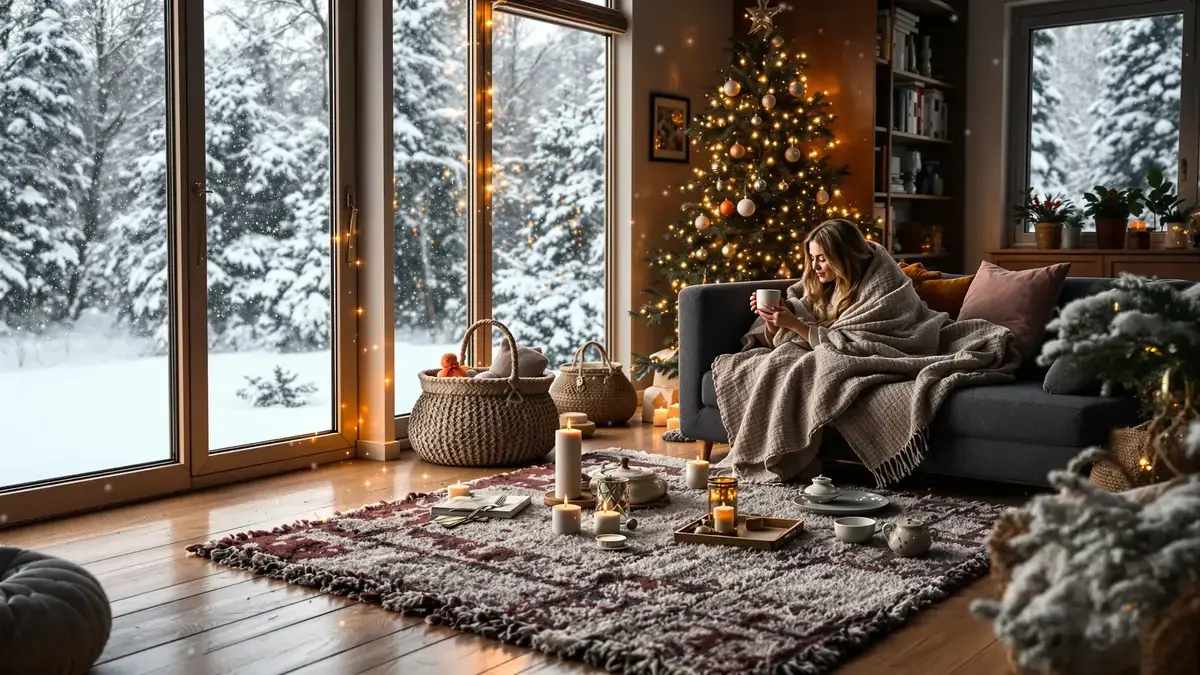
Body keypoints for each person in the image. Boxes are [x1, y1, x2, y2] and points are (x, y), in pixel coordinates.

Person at [747, 218, 874, 346]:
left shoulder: (871, 293)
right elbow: (780, 340)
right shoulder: (821, 288)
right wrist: (771, 317)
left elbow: (853, 345)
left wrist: (794, 323)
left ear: (845, 258)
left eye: (822, 259)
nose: (814, 266)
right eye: (812, 258)